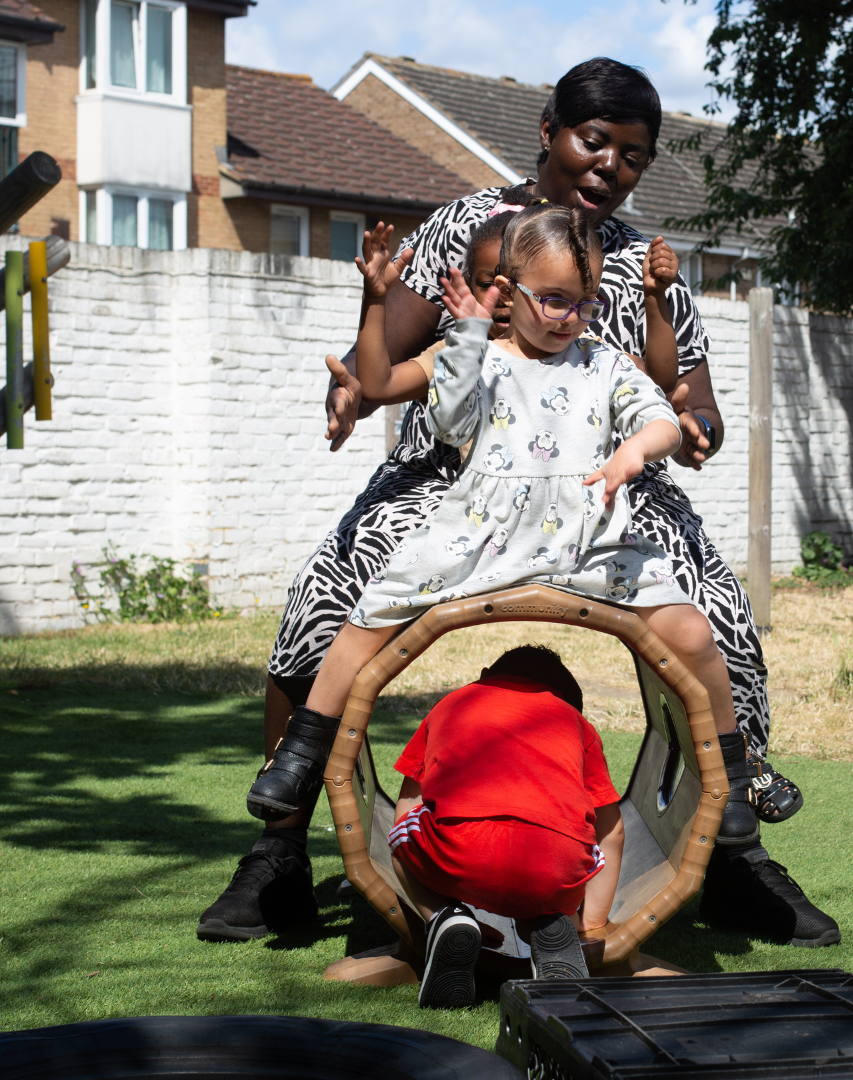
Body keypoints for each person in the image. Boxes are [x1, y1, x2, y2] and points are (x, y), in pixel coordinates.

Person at [198, 57, 832, 950]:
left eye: (634, 155)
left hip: (611, 482)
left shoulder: (644, 261)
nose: (611, 164)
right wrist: (355, 388)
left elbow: (693, 391)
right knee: (326, 598)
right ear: (548, 132)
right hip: (457, 470)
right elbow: (393, 351)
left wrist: (695, 425)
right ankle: (279, 852)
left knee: (717, 612)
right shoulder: (466, 221)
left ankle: (734, 851)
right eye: (593, 141)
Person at [248, 204, 743, 820]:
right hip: (478, 533)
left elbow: (662, 417)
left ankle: (735, 774)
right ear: (513, 290)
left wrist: (634, 451)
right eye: (555, 300)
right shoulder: (475, 352)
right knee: (367, 616)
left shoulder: (603, 361)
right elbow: (452, 420)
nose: (571, 319)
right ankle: (301, 752)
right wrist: (466, 338)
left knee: (695, 634)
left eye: (584, 304)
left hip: (586, 540)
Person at [389, 644, 622, 1008]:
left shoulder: (451, 704)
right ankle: (554, 926)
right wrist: (590, 923)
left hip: (460, 857)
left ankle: (444, 918)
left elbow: (409, 803)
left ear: (484, 676)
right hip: (552, 867)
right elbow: (613, 831)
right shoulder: (576, 724)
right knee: (577, 843)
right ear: (563, 699)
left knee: (402, 836)